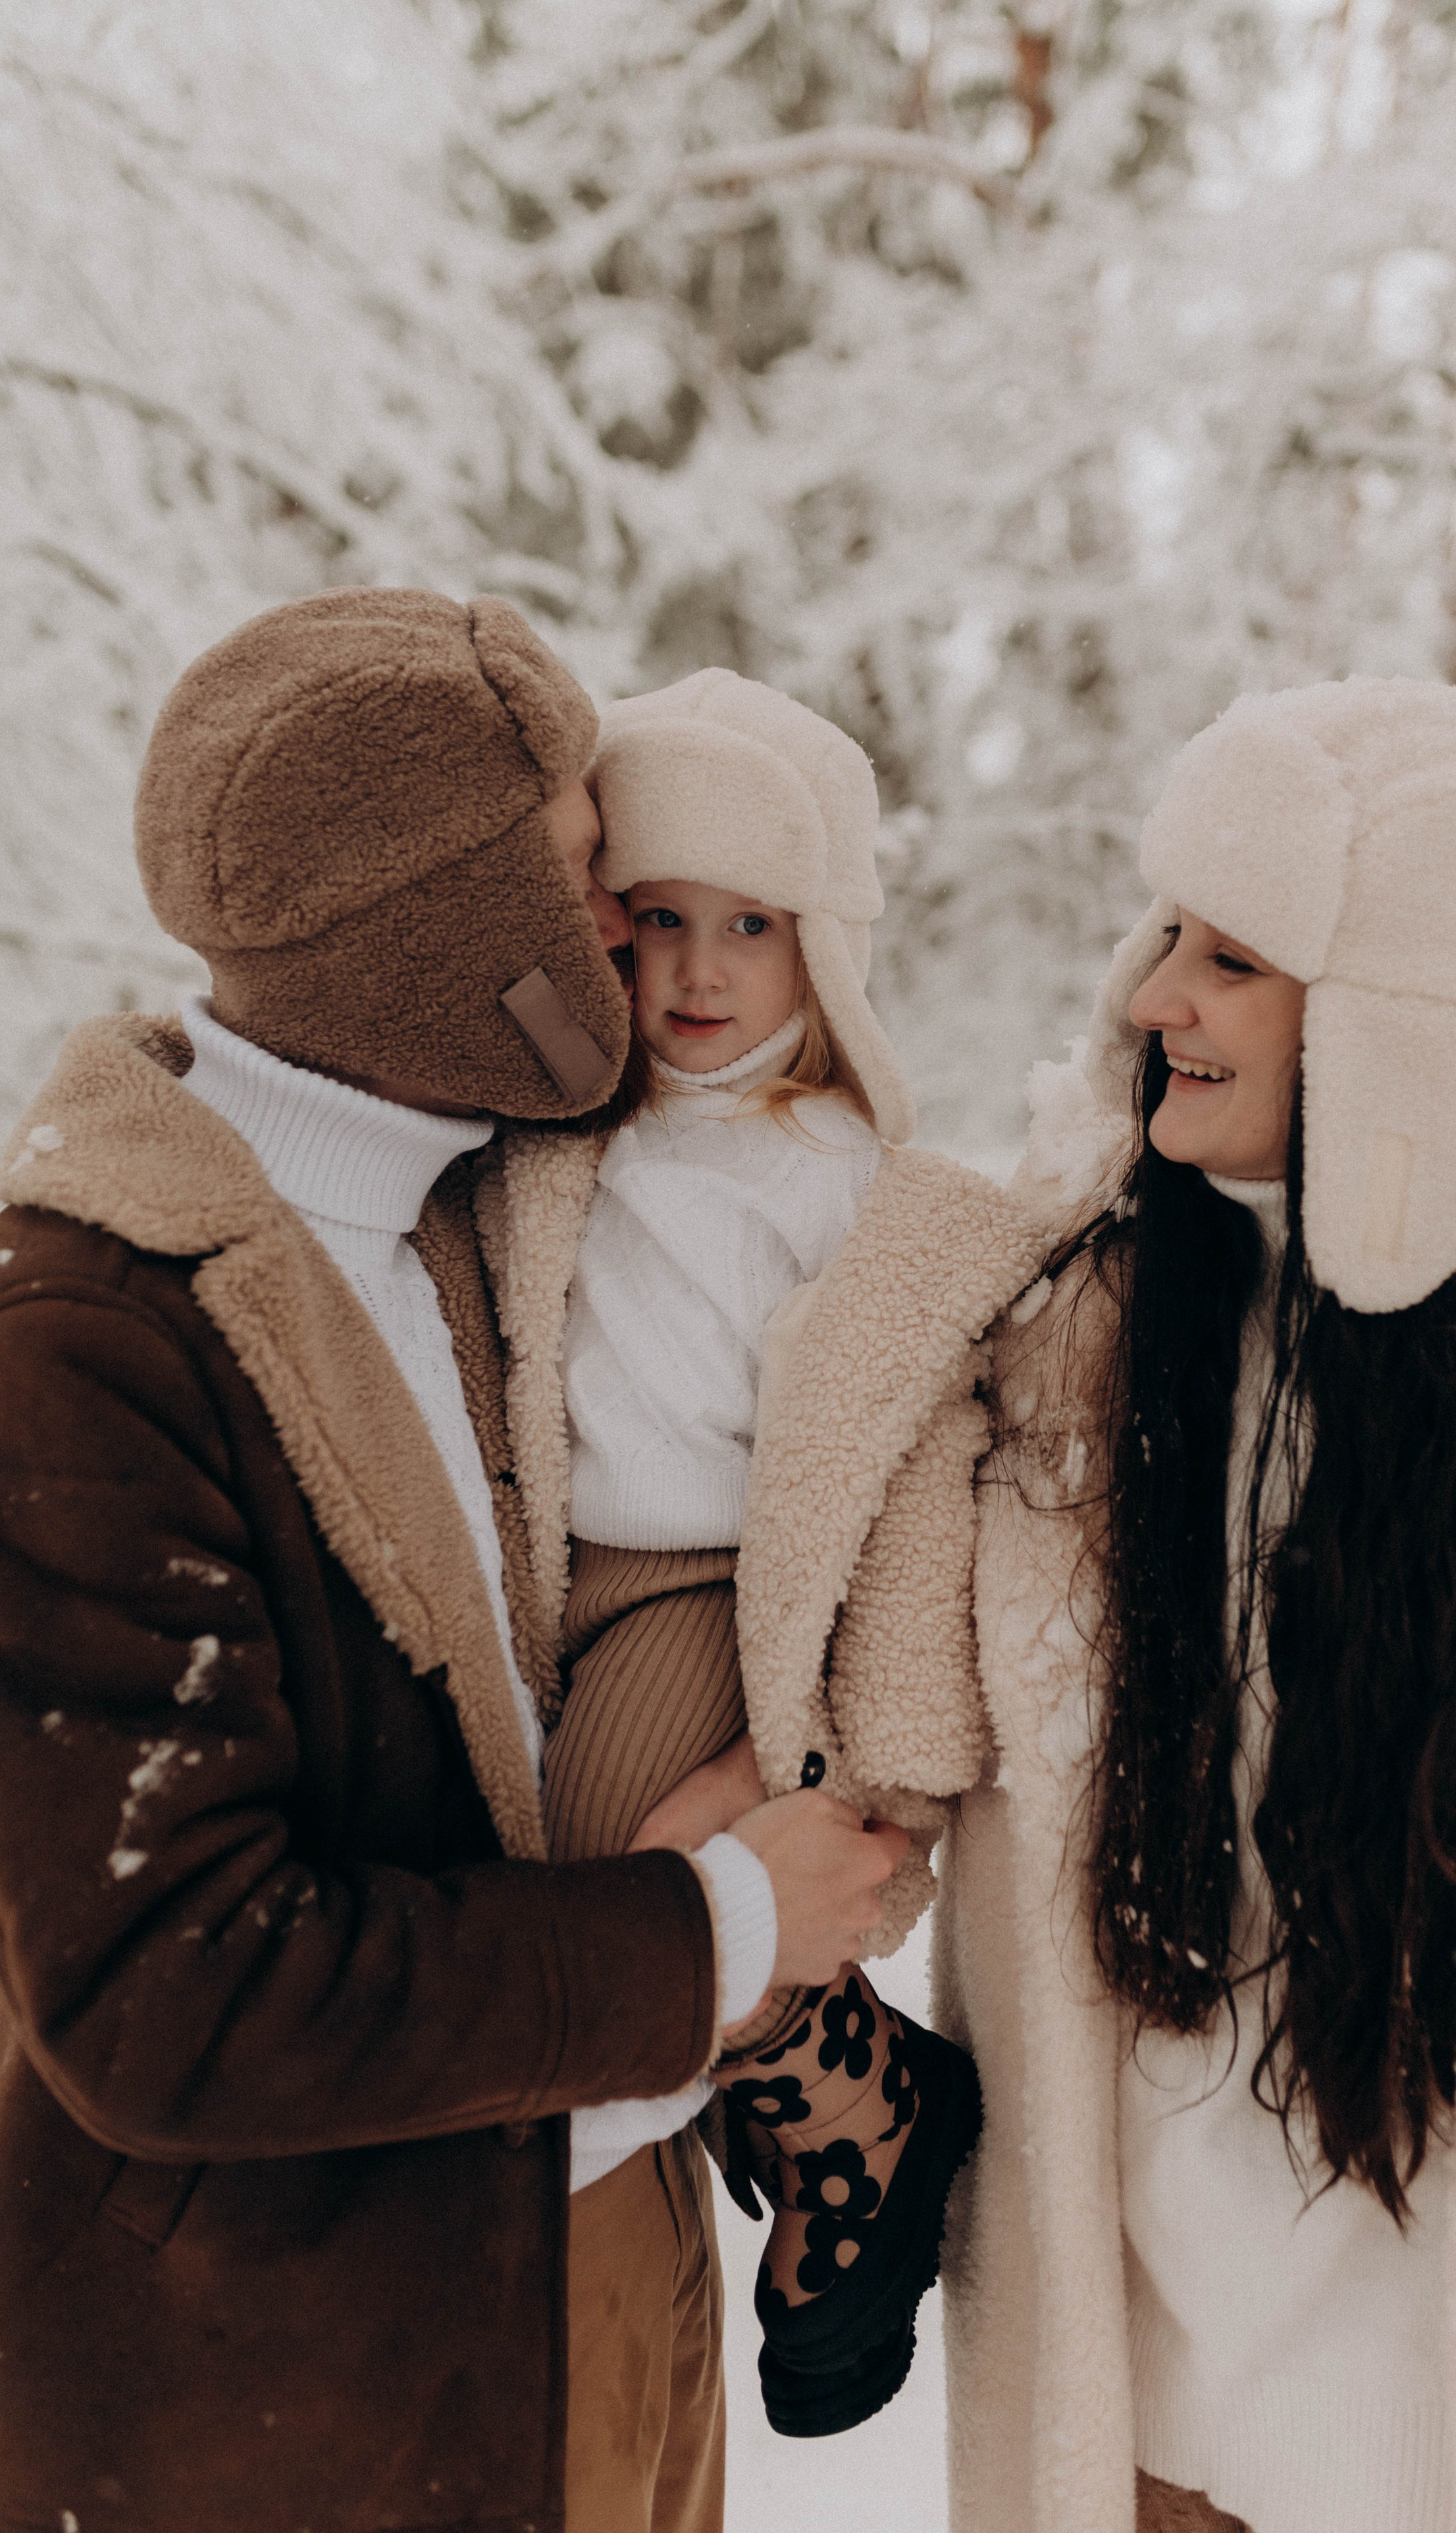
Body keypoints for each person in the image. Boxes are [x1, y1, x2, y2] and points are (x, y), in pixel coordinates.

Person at [0, 588, 901, 2533]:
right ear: (441, 916)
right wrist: (719, 1924)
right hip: (311, 2397)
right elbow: (174, 1994)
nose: (627, 937)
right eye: (586, 879)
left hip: (611, 2263)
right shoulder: (96, 1339)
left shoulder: (477, 1219)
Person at [933, 677, 1456, 2533]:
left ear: (1394, 1019)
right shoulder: (1067, 1325)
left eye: (1232, 960)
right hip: (1144, 2418)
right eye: (1167, 935)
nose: (1151, 999)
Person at [492, 666, 1044, 2456]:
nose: (698, 974)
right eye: (658, 921)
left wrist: (847, 1721)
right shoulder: (574, 1128)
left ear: (826, 943)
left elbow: (895, 1421)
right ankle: (810, 2099)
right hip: (565, 1577)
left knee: (622, 1875)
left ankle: (856, 2094)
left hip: (705, 1586)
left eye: (752, 927)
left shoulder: (823, 1163)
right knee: (542, 1868)